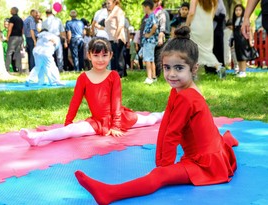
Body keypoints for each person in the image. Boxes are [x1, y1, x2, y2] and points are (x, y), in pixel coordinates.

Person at [74, 26, 238, 205]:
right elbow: (167, 120)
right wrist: (162, 159)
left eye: (179, 68)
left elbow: (171, 133)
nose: (172, 74)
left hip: (205, 165)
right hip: (210, 147)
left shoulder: (187, 97)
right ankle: (228, 139)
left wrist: (164, 166)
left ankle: (110, 193)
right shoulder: (181, 88)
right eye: (167, 68)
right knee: (218, 139)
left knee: (159, 176)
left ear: (194, 68)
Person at [20, 37, 163, 146]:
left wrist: (116, 126)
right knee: (70, 131)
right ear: (89, 55)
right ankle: (36, 137)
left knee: (149, 120)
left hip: (121, 118)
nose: (100, 59)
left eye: (104, 55)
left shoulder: (113, 76)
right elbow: (75, 101)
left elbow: (116, 102)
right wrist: (68, 122)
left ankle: (164, 114)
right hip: (97, 121)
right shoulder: (83, 78)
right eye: (96, 55)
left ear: (111, 55)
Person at [186, 0, 222, 75]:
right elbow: (213, 14)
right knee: (207, 50)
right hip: (208, 28)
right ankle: (219, 67)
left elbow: (191, 13)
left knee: (194, 50)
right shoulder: (213, 1)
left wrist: (186, 25)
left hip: (196, 27)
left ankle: (193, 73)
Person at [232, 4, 257, 77]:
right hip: (237, 41)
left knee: (243, 57)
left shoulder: (244, 20)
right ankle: (240, 71)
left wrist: (251, 40)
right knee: (238, 56)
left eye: (240, 10)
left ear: (243, 11)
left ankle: (243, 72)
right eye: (236, 10)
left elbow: (249, 30)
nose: (238, 12)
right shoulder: (235, 20)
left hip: (243, 40)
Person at [105, 0, 126, 78]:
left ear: (114, 3)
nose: (107, 5)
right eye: (106, 4)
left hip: (117, 38)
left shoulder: (118, 11)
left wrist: (116, 36)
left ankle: (121, 74)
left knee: (119, 57)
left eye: (109, 3)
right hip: (110, 38)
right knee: (113, 57)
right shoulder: (110, 12)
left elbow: (121, 25)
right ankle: (114, 73)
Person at [142, 0, 158, 84]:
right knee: (151, 59)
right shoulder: (151, 16)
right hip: (151, 41)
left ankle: (149, 77)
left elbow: (155, 25)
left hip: (150, 41)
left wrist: (149, 34)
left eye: (143, 8)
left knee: (147, 59)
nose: (143, 10)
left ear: (147, 7)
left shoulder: (151, 16)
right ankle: (154, 76)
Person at [5, 7, 24, 73]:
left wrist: (7, 37)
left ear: (13, 11)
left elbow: (10, 28)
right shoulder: (20, 19)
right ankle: (19, 69)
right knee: (18, 53)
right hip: (19, 37)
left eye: (11, 10)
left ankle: (7, 68)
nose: (10, 11)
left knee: (9, 53)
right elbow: (22, 30)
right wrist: (21, 37)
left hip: (13, 37)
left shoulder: (12, 18)